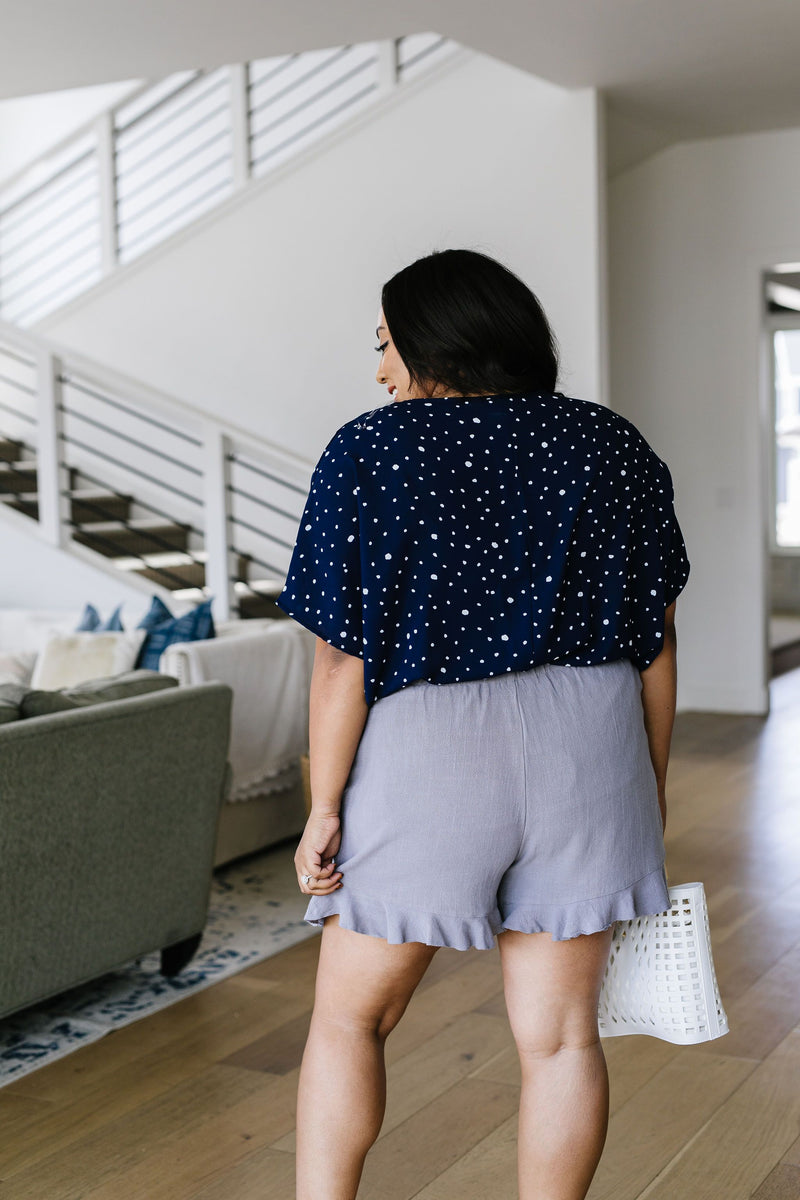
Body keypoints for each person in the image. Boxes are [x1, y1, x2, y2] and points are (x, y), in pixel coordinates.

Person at [276, 247, 689, 1200]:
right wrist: (648, 787)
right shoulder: (608, 442)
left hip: (429, 752)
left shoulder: (370, 449)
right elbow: (656, 640)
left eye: (385, 343)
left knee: (351, 1020)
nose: (379, 368)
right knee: (559, 1040)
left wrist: (322, 805)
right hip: (592, 747)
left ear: (432, 342)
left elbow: (341, 656)